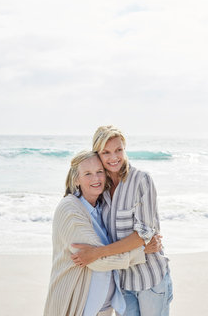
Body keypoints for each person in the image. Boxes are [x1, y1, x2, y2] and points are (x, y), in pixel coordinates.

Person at [44, 150, 161, 316]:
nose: (96, 179)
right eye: (87, 174)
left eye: (99, 172)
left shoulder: (102, 207)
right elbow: (95, 261)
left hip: (104, 308)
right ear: (76, 179)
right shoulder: (70, 209)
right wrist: (142, 251)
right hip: (78, 305)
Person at [71, 126, 173, 316]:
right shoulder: (100, 187)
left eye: (119, 150)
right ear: (98, 154)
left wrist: (97, 253)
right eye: (106, 152)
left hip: (150, 280)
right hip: (122, 284)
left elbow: (142, 235)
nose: (114, 157)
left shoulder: (141, 180)